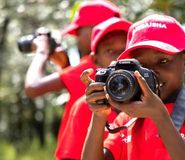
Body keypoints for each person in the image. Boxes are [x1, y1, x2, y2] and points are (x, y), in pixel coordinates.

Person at [81, 14, 185, 160]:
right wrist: (99, 116)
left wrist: (160, 117)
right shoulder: (127, 119)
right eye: (141, 65)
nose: (152, 72)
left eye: (163, 61)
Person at [23, 1, 122, 159]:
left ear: (92, 30)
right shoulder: (122, 69)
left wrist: (42, 52)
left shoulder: (89, 66)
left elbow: (32, 87)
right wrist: (65, 65)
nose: (75, 37)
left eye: (78, 31)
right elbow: (77, 87)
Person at [55, 17, 132, 160]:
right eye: (110, 50)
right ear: (95, 60)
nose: (119, 58)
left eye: (126, 49)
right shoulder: (84, 106)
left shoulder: (154, 100)